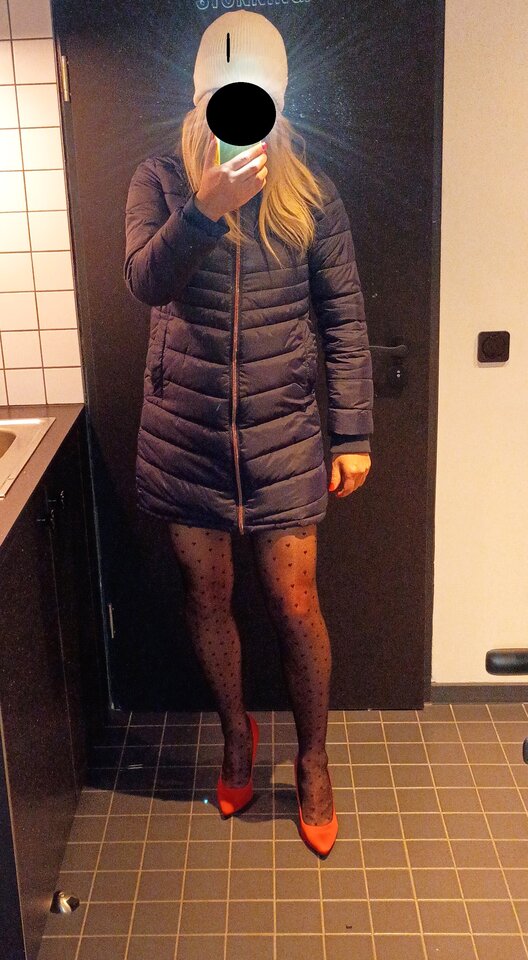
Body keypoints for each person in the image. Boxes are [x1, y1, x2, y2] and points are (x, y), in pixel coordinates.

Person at [123, 11, 374, 856]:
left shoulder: (313, 191)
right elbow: (144, 282)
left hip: (284, 437)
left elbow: (344, 320)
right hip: (185, 436)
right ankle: (237, 738)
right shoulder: (160, 179)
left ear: (279, 102)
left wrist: (353, 433)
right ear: (200, 98)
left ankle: (313, 760)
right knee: (205, 599)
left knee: (295, 605)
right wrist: (203, 210)